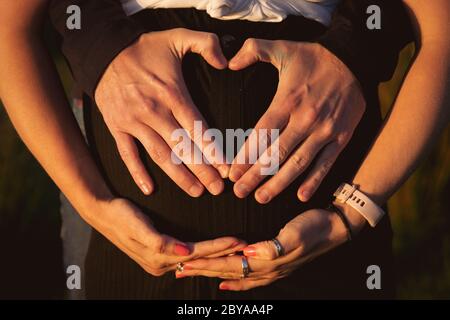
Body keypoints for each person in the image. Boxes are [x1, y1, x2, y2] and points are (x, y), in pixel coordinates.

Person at [0, 0, 447, 299]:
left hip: (332, 270)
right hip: (127, 268)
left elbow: (441, 32)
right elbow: (10, 27)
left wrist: (353, 213)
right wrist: (92, 205)